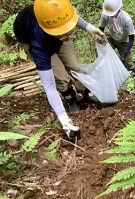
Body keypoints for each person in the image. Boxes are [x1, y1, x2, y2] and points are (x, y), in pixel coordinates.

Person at [13, 0, 107, 142]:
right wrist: (64, 120)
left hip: (53, 33)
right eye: (64, 33)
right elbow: (49, 86)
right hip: (37, 41)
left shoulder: (61, 9)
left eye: (70, 30)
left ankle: (86, 92)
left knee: (75, 66)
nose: (69, 34)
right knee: (60, 76)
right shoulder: (37, 43)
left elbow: (74, 18)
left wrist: (89, 28)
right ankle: (70, 98)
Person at [99, 0, 135, 77]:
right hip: (111, 38)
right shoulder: (105, 14)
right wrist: (100, 40)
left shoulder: (126, 19)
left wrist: (125, 53)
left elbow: (131, 38)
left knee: (127, 60)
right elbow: (101, 28)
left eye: (112, 13)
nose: (110, 15)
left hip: (124, 41)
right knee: (103, 52)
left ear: (119, 9)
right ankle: (106, 71)